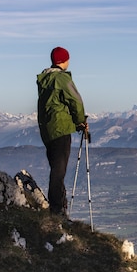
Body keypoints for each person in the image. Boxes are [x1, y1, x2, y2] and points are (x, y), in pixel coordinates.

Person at [36, 46, 88, 216]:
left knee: (56, 168)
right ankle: (57, 210)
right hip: (60, 130)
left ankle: (59, 206)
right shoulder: (61, 79)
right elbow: (76, 101)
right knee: (59, 171)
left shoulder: (45, 80)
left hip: (48, 130)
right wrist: (80, 121)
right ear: (64, 61)